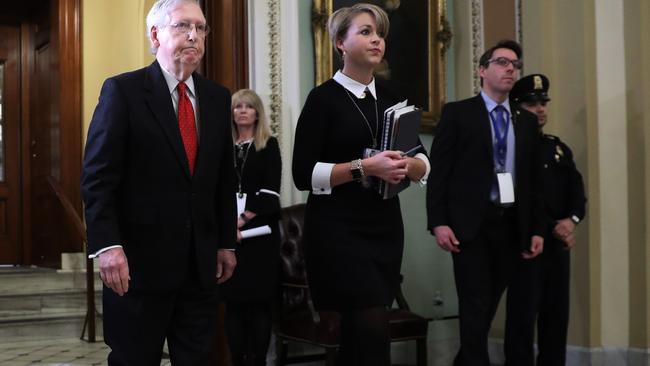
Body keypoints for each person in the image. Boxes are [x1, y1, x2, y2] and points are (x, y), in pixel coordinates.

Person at [80, 0, 237, 364]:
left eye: (201, 28)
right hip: (138, 268)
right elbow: (98, 178)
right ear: (155, 34)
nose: (194, 36)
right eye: (183, 26)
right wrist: (107, 246)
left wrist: (226, 241)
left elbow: (222, 178)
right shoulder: (123, 91)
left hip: (199, 268)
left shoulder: (217, 97)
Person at [292, 3, 429, 365]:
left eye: (380, 33)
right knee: (370, 332)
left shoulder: (391, 98)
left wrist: (409, 165)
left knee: (361, 338)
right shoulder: (322, 99)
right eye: (365, 32)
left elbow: (423, 162)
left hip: (383, 228)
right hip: (338, 232)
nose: (376, 40)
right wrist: (365, 167)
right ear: (340, 43)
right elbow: (303, 174)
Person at [426, 39, 546, 366]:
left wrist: (537, 229)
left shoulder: (526, 121)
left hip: (513, 225)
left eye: (515, 65)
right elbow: (440, 174)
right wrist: (438, 221)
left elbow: (533, 182)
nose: (510, 69)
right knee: (475, 306)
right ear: (483, 70)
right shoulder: (458, 113)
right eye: (502, 62)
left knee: (497, 306)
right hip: (471, 225)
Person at [505, 74, 586, 366]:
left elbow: (577, 192)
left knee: (556, 317)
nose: (540, 109)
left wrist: (572, 221)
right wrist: (554, 226)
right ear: (516, 107)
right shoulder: (511, 147)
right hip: (527, 242)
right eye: (532, 104)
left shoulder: (558, 147)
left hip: (557, 248)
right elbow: (517, 198)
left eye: (543, 103)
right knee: (522, 320)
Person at [220, 89, 282, 366]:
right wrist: (225, 226)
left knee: (258, 304)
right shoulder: (222, 147)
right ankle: (236, 360)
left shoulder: (268, 144)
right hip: (227, 239)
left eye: (248, 107)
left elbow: (270, 191)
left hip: (259, 237)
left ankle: (257, 361)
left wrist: (241, 220)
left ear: (258, 113)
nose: (242, 111)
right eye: (237, 107)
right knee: (232, 304)